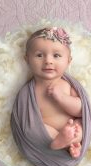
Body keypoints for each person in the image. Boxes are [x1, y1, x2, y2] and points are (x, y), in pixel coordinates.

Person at [24, 27, 83, 158]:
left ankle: (71, 141)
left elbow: (81, 110)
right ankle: (59, 142)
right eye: (39, 55)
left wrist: (61, 98)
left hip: (71, 127)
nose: (48, 61)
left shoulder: (67, 85)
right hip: (48, 134)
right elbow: (26, 119)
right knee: (32, 128)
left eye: (56, 55)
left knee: (80, 125)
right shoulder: (29, 91)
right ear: (27, 59)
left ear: (68, 61)